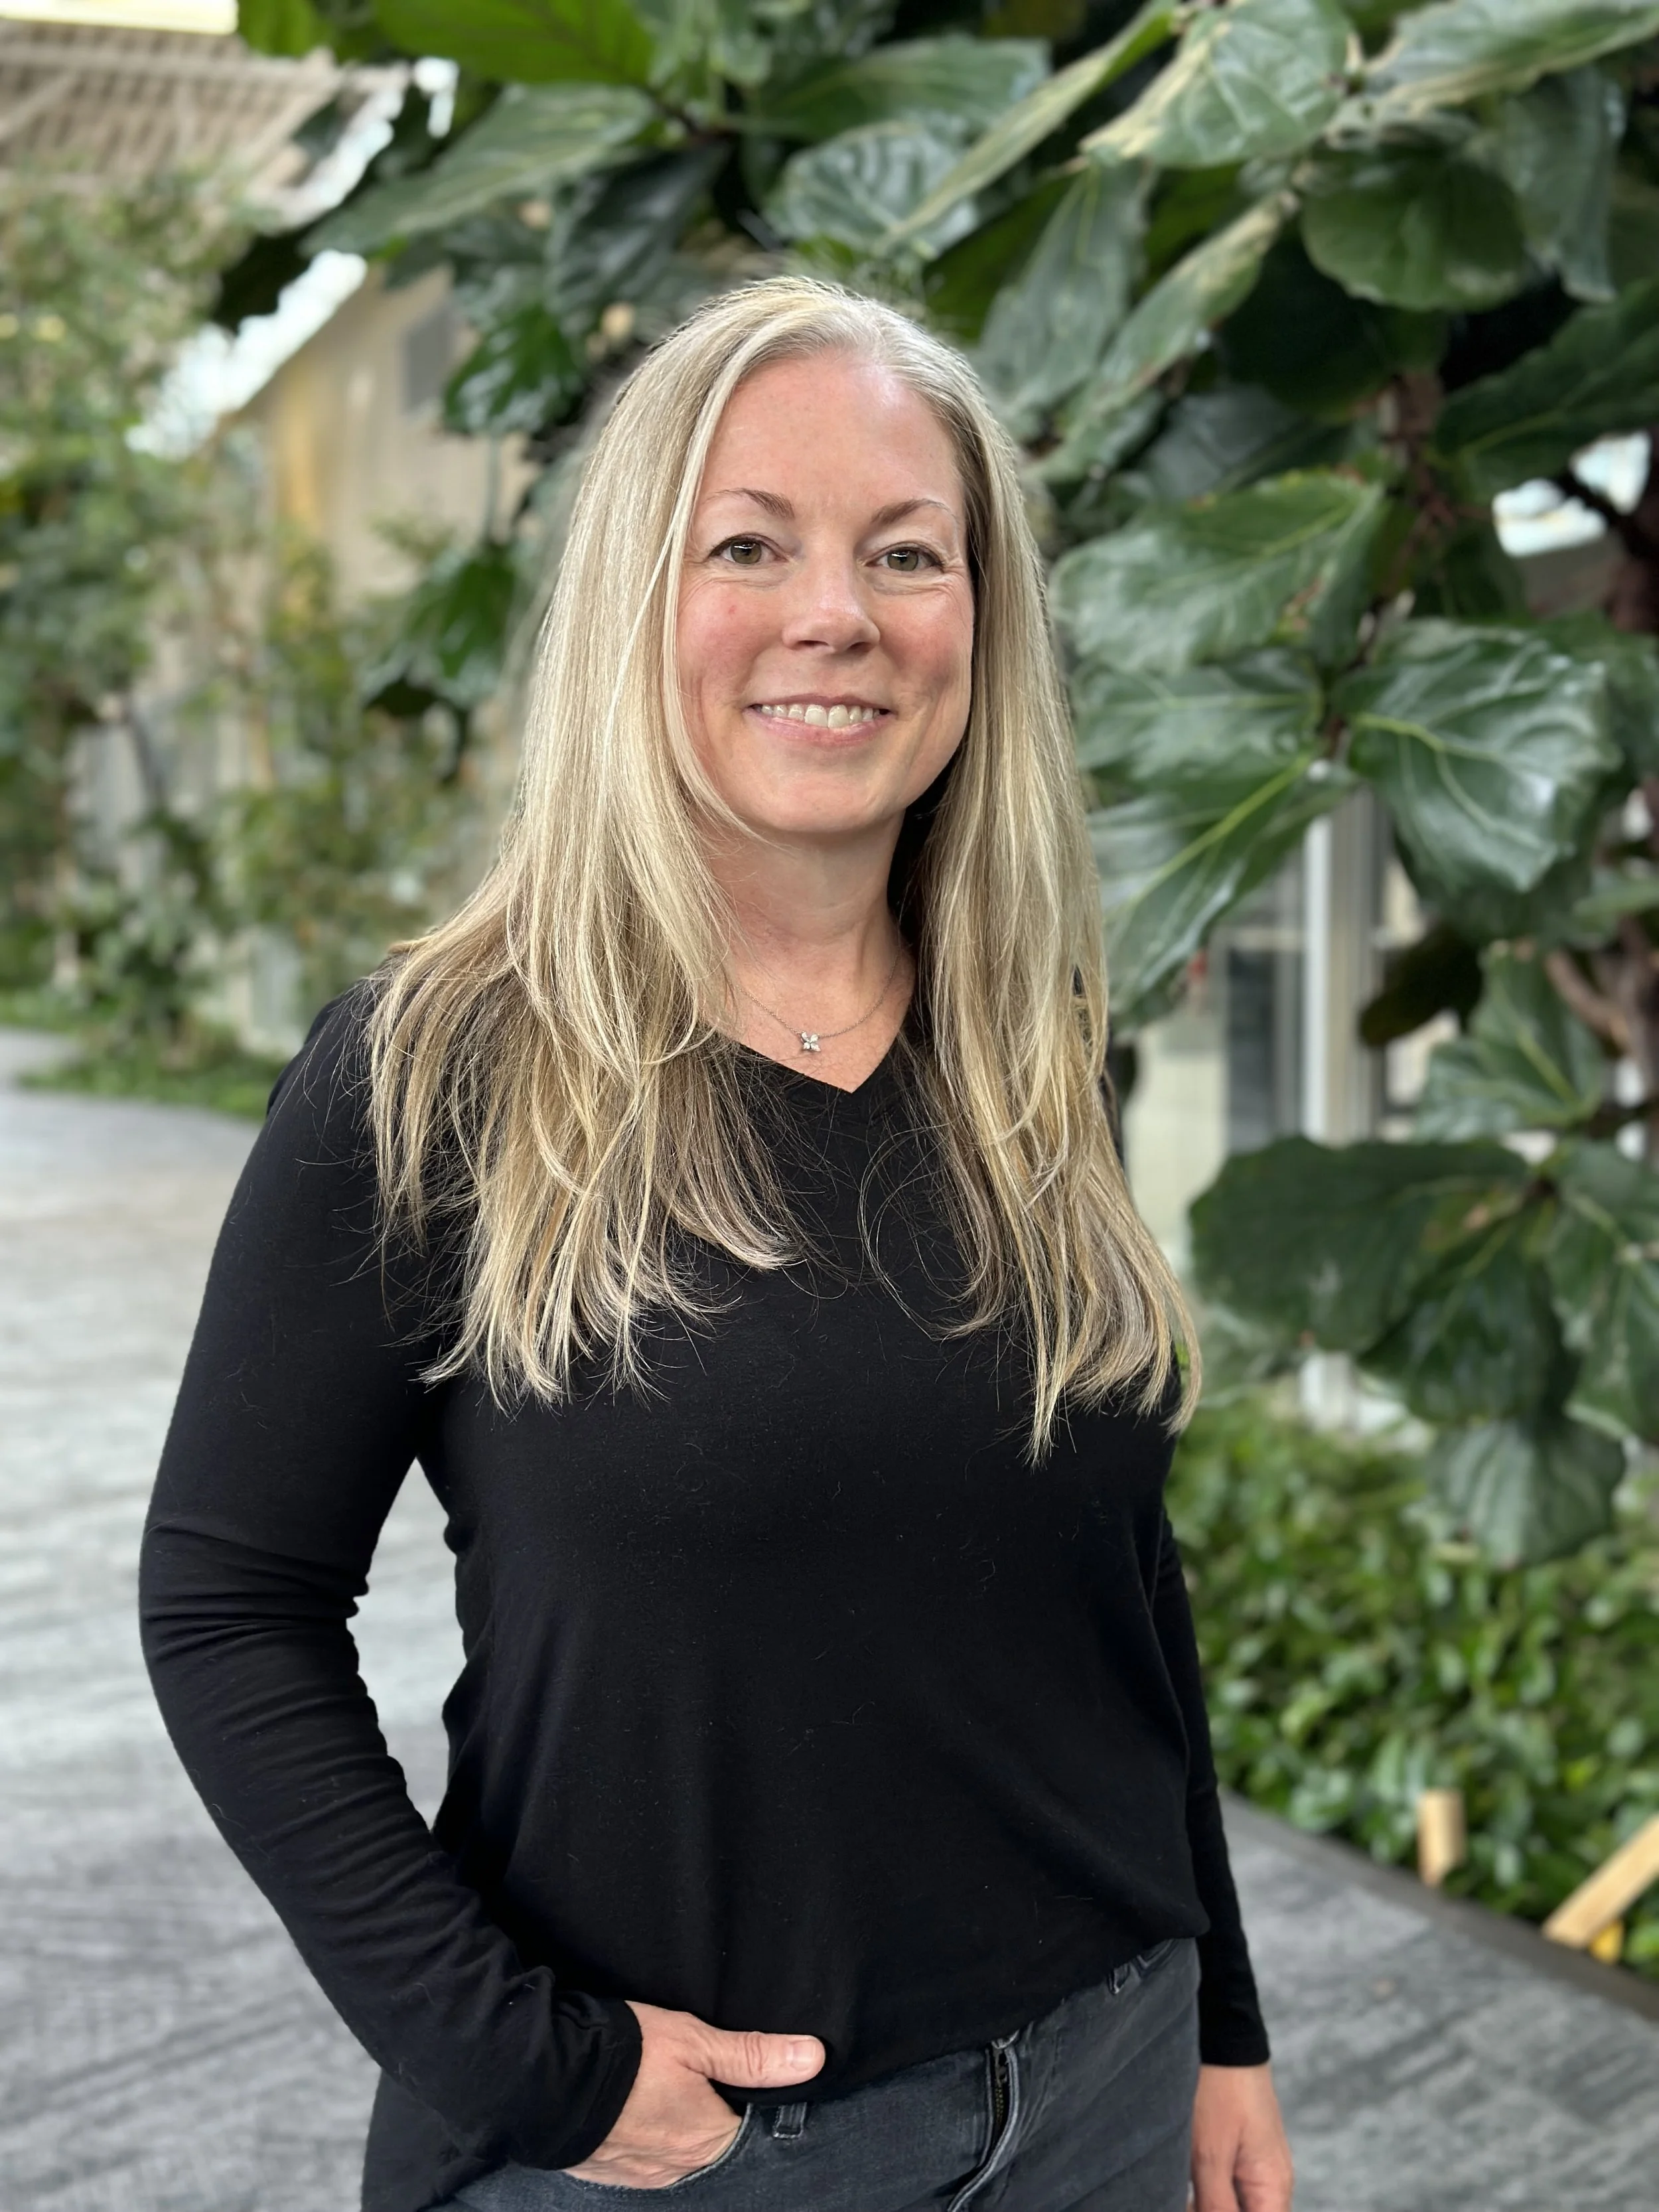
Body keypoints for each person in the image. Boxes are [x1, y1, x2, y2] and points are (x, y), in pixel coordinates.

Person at [140, 275, 1294, 2212]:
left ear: (978, 625)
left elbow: (1114, 1587)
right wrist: (518, 2058)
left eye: (904, 553)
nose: (833, 613)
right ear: (633, 605)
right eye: (747, 543)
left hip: (1099, 2075)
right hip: (678, 2158)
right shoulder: (436, 1072)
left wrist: (1222, 2023)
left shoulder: (1029, 1048)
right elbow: (226, 1604)